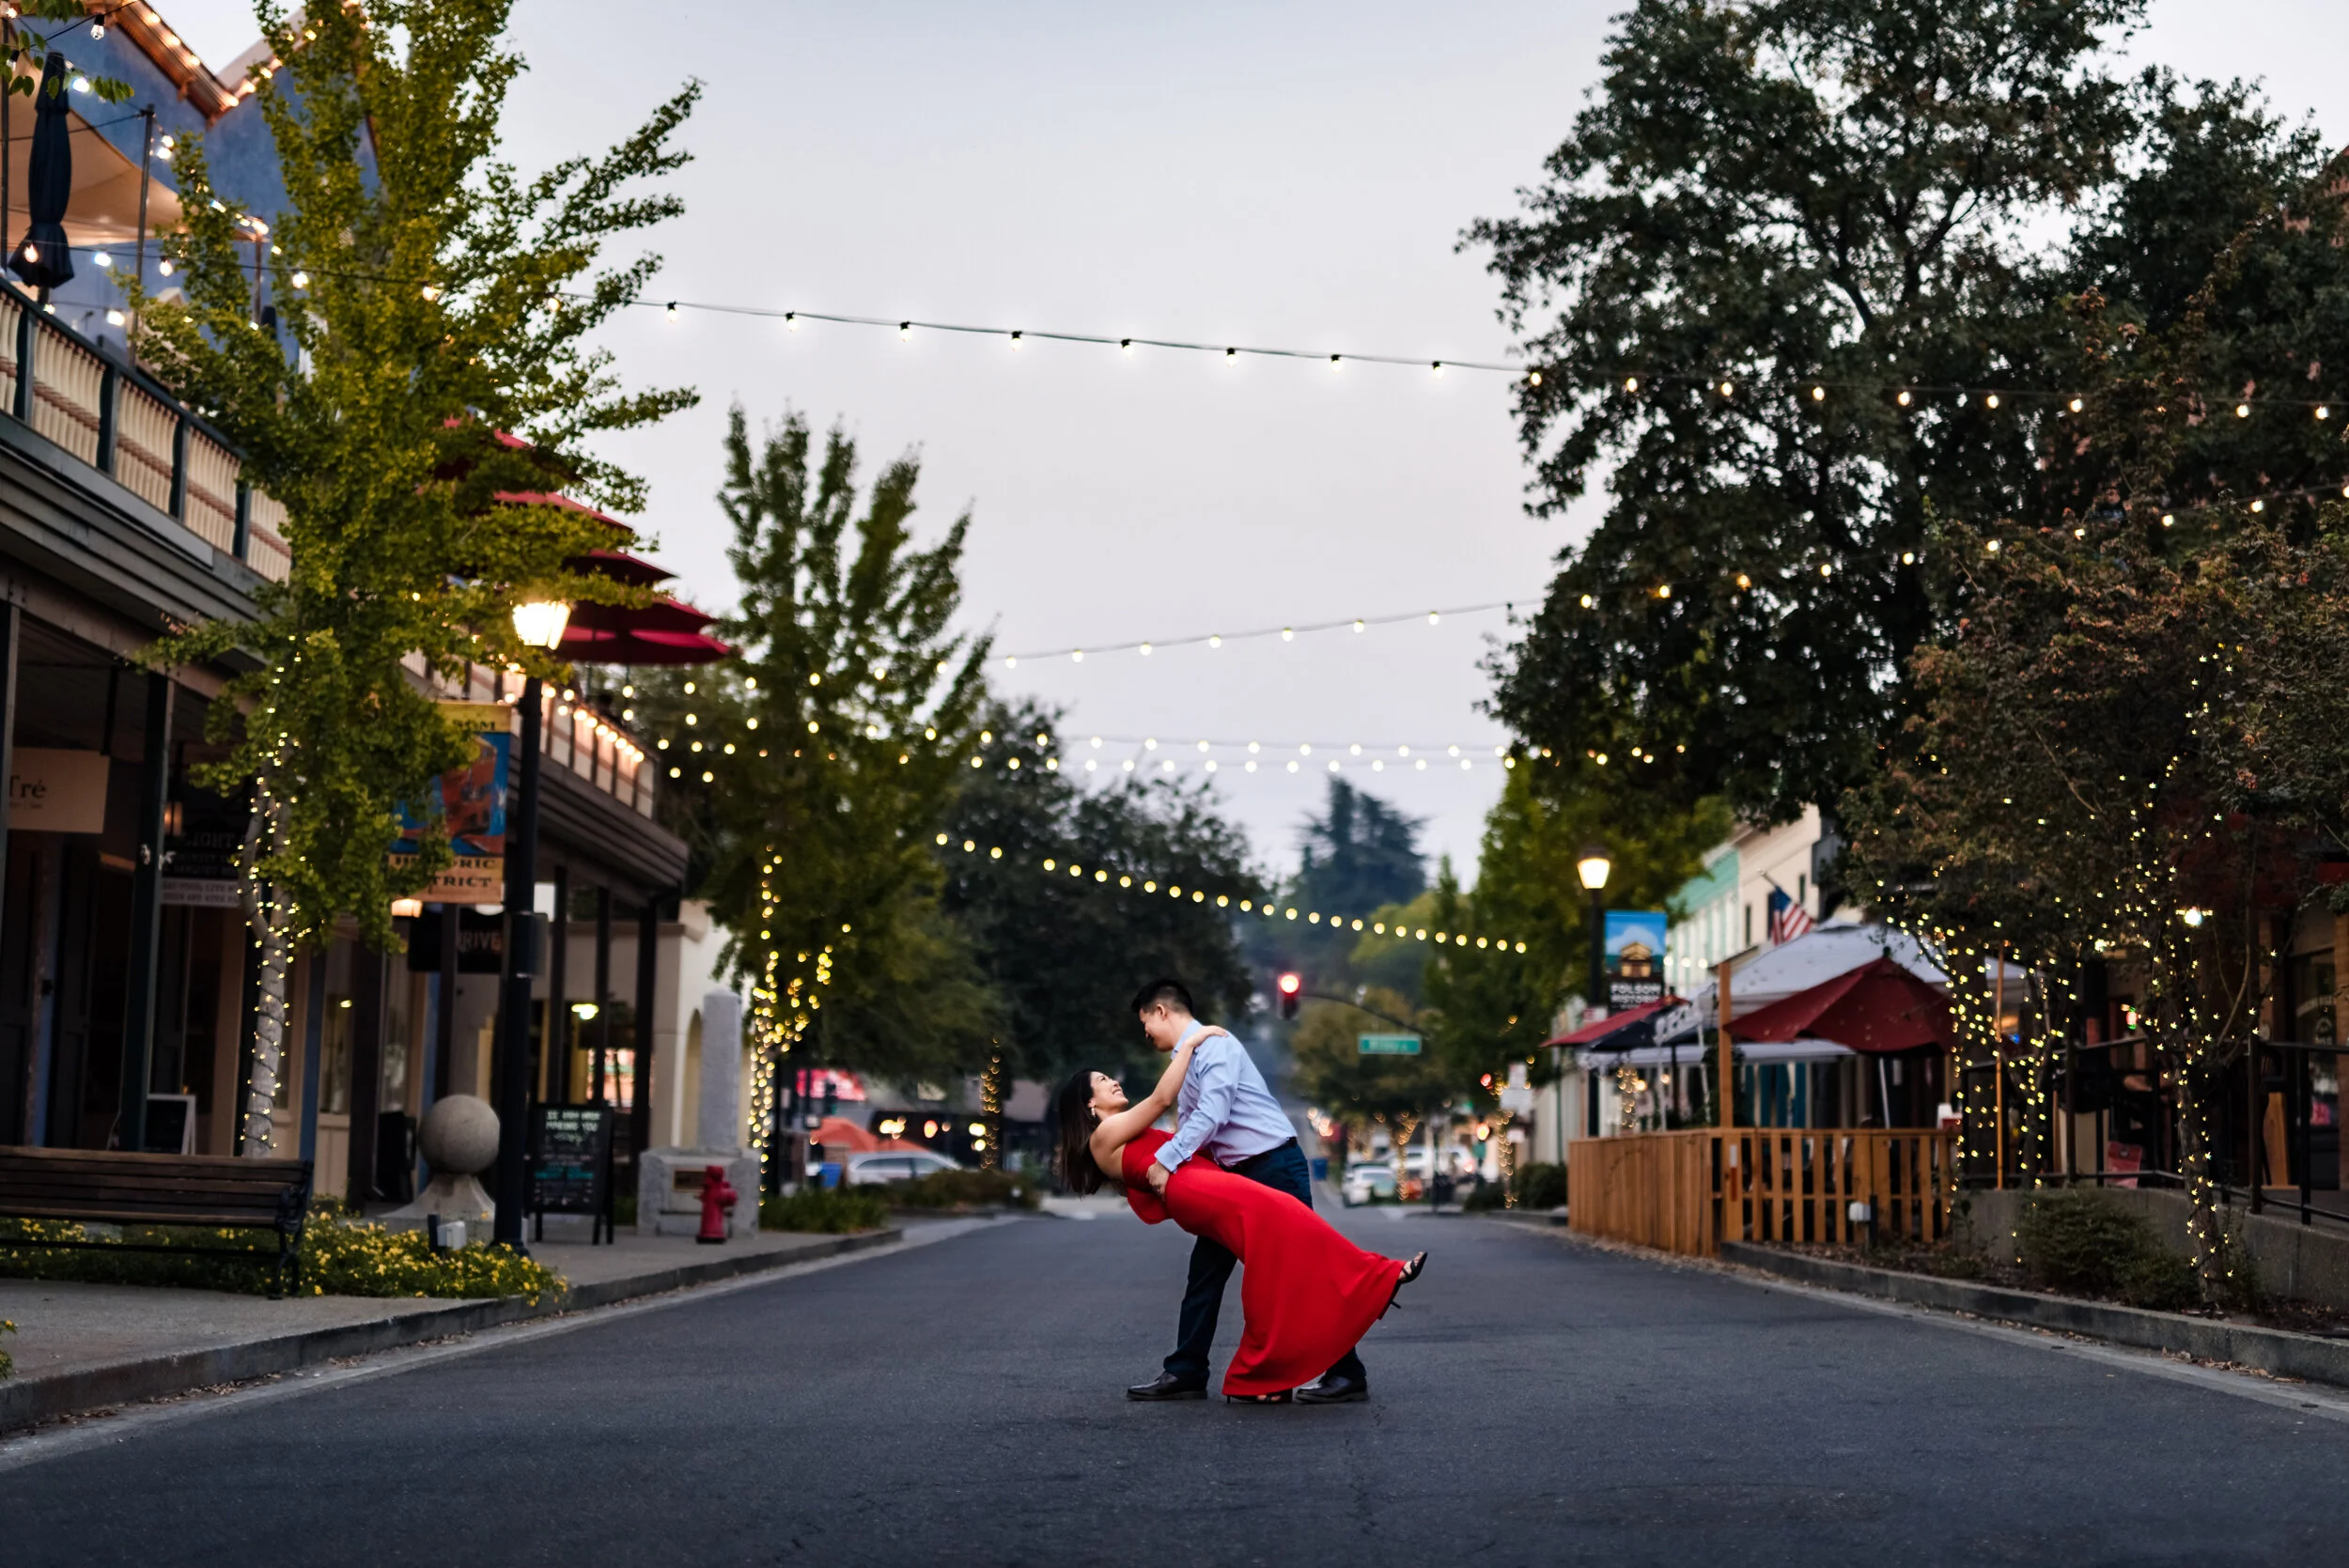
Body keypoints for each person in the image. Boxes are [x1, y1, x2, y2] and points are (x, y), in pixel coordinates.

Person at [1053, 979, 1424, 1404]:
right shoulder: (1185, 1062)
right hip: (1227, 1179)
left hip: (1271, 1164)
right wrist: (1175, 1164)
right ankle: (1187, 1371)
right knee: (1205, 1275)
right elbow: (1188, 1127)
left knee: (1300, 1264)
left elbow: (1211, 1114)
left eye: (1145, 1023)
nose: (1145, 1034)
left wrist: (1167, 1160)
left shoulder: (1215, 1047)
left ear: (1161, 1012)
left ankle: (1346, 1369)